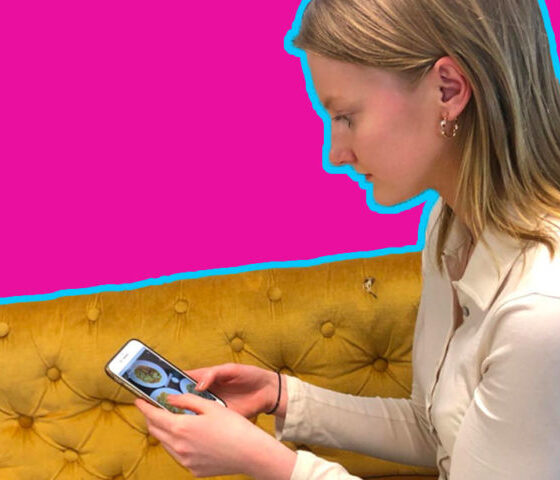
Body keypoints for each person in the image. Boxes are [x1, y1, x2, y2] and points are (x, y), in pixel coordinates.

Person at [135, 0, 560, 478]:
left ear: (448, 89)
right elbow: (442, 430)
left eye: (347, 117)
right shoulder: (451, 226)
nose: (335, 154)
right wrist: (281, 395)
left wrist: (265, 461)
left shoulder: (541, 313)